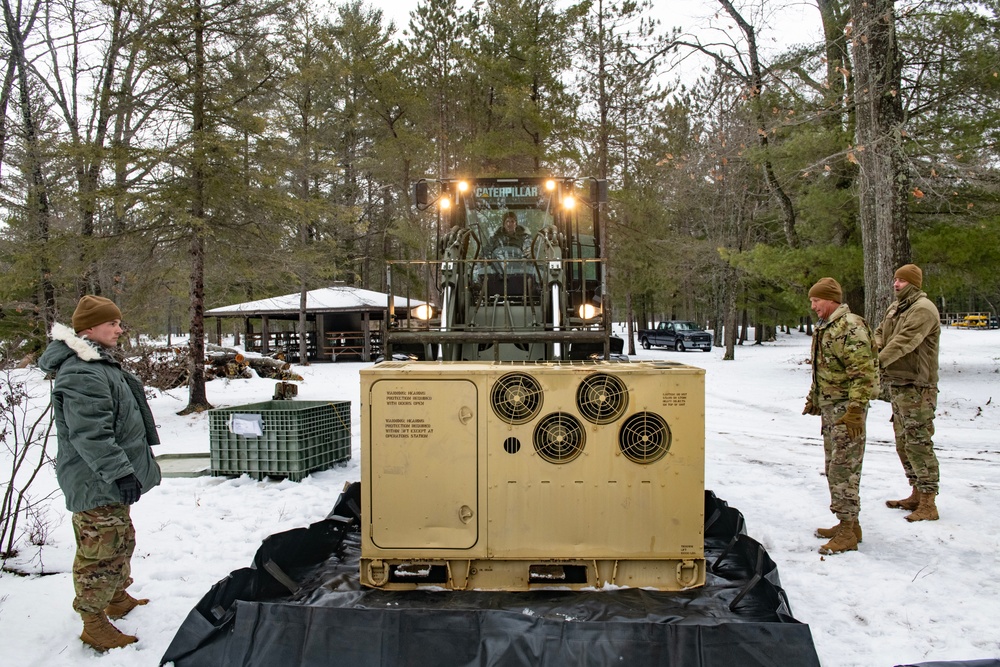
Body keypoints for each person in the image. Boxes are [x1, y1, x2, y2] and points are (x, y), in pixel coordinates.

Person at [37, 296, 162, 652]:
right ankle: (93, 622)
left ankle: (117, 597)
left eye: (119, 323)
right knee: (100, 551)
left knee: (121, 539)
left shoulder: (98, 364)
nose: (120, 330)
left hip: (109, 475)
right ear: (88, 329)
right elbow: (90, 433)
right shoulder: (81, 371)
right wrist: (120, 472)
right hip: (97, 478)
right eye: (113, 324)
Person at [802, 277, 879, 555]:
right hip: (831, 408)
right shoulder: (827, 327)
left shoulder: (851, 327)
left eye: (816, 301)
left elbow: (863, 373)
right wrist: (814, 398)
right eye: (811, 301)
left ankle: (847, 531)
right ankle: (849, 524)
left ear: (831, 299)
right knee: (833, 465)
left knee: (843, 469)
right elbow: (823, 369)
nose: (813, 306)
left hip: (847, 411)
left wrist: (856, 411)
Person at [874, 263, 941, 522]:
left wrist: (876, 362)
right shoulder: (896, 308)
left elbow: (904, 342)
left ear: (913, 284)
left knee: (918, 443)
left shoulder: (923, 310)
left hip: (918, 386)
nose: (896, 284)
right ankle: (915, 492)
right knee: (903, 443)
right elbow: (881, 333)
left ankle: (928, 502)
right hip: (899, 384)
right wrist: (874, 349)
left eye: (901, 281)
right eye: (895, 279)